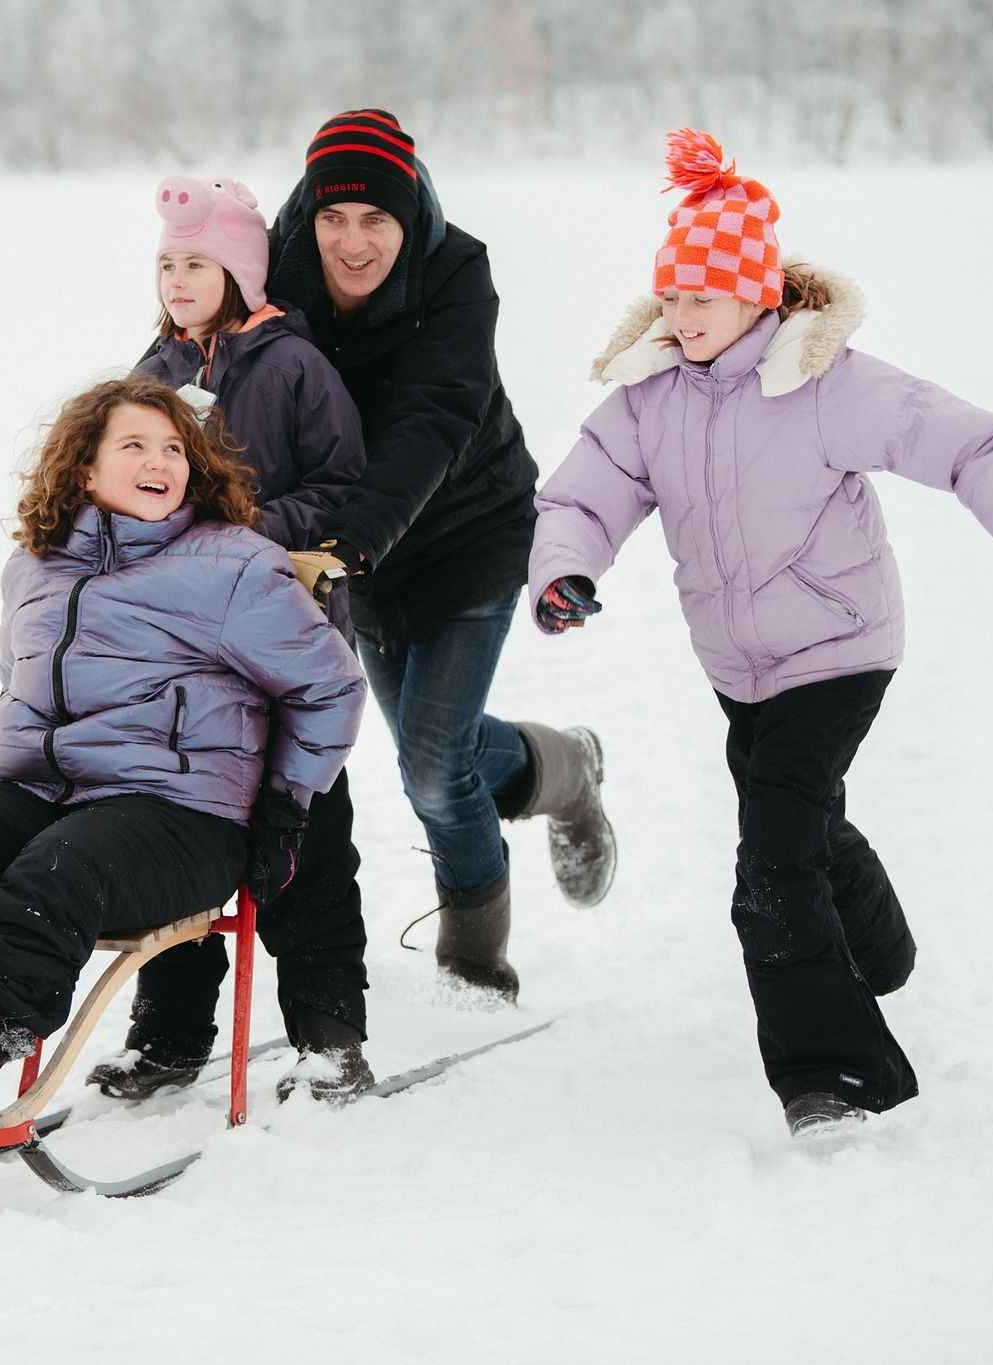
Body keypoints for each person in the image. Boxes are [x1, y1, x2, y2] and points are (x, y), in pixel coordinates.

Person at [529, 130, 993, 1137]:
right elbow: (583, 494)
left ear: (756, 295)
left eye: (700, 297)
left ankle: (832, 1074)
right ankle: (880, 952)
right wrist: (565, 569)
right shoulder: (649, 395)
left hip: (836, 649)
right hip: (736, 663)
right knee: (801, 815)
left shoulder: (824, 379)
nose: (679, 315)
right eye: (670, 296)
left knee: (771, 855)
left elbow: (971, 443)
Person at [0, 376, 366, 1137]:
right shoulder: (35, 568)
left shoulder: (231, 567)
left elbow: (329, 687)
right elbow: (20, 688)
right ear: (82, 468)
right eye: (133, 444)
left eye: (173, 448)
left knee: (63, 865)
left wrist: (286, 806)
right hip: (50, 792)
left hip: (181, 814)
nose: (159, 460)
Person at [264, 109, 613, 1004]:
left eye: (376, 219)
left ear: (409, 214)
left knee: (429, 765)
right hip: (364, 559)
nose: (352, 242)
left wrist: (349, 544)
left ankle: (475, 957)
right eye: (333, 218)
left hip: (466, 535)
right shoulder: (281, 271)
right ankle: (565, 768)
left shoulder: (458, 274)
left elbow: (434, 421)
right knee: (438, 752)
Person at [80, 174, 376, 1102]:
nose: (177, 278)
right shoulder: (156, 371)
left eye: (197, 262)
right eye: (166, 263)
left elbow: (342, 485)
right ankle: (170, 1035)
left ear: (240, 272)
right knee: (187, 829)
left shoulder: (291, 365)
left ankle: (330, 1038)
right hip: (184, 663)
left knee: (310, 845)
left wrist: (241, 528)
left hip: (283, 639)